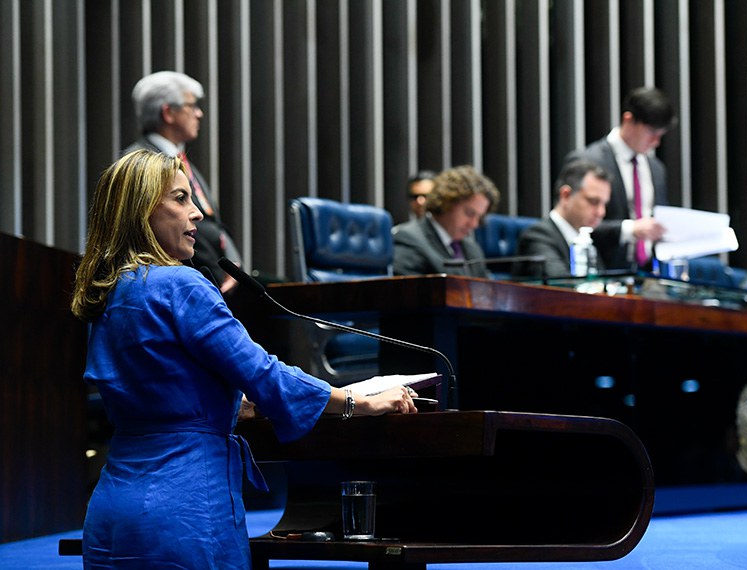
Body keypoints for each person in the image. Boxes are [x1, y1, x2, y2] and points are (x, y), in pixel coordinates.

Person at [71, 149, 417, 568]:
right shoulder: (182, 284)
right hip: (186, 510)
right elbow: (264, 373)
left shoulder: (111, 294)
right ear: (141, 211)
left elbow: (157, 390)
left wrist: (232, 406)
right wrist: (358, 402)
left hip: (110, 512)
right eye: (180, 199)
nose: (196, 213)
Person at [123, 71, 241, 295]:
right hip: (174, 287)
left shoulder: (181, 159)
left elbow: (211, 220)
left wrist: (231, 260)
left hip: (212, 281)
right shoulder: (139, 163)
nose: (199, 113)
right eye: (191, 105)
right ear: (168, 112)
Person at [563, 86, 677, 272]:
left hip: (649, 275)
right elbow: (572, 224)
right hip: (603, 272)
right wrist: (628, 229)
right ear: (628, 119)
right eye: (651, 132)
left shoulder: (656, 168)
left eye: (660, 135)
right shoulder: (587, 161)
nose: (656, 142)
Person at [393, 165, 499, 278]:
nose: (474, 224)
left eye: (479, 217)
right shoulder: (409, 239)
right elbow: (407, 292)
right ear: (446, 203)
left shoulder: (472, 249)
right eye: (469, 213)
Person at [512, 160, 612, 279]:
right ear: (566, 196)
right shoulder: (537, 236)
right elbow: (562, 286)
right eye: (593, 202)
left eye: (604, 204)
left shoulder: (588, 239)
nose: (601, 212)